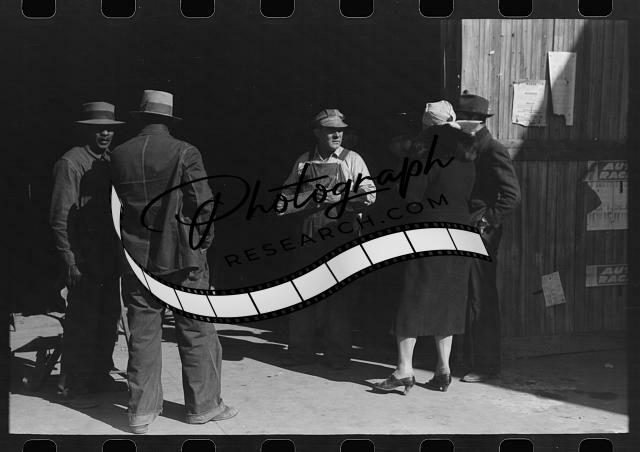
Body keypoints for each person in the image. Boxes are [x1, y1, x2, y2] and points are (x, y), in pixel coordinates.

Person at [110, 90, 237, 434]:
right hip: (182, 259)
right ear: (169, 120)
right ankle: (203, 407)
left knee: (143, 335)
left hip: (137, 259)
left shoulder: (119, 155)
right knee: (197, 331)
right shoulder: (185, 151)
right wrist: (202, 245)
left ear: (140, 117)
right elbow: (203, 205)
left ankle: (140, 412)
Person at [373, 114, 477, 395]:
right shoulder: (467, 160)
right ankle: (443, 369)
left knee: (413, 297)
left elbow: (410, 197)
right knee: (448, 300)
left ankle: (403, 370)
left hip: (429, 234)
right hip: (460, 235)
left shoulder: (425, 160)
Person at [278, 109, 376, 370]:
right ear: (317, 132)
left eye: (340, 130)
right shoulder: (303, 161)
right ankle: (300, 352)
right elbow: (285, 196)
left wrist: (340, 197)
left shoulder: (352, 159)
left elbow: (370, 195)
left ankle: (337, 355)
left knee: (339, 296)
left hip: (340, 233)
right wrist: (301, 200)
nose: (337, 135)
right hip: (309, 232)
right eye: (331, 130)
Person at [49, 102, 124, 408]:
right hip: (83, 258)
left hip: (107, 256)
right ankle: (73, 386)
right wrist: (70, 260)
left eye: (109, 129)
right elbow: (60, 217)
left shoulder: (110, 161)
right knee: (82, 322)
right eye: (98, 129)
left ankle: (98, 376)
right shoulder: (71, 163)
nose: (105, 133)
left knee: (107, 319)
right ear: (85, 131)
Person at [455, 92, 521, 383]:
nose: (458, 122)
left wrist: (486, 221)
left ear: (475, 120)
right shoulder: (469, 146)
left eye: (461, 118)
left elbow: (511, 196)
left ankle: (486, 365)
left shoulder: (492, 149)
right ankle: (466, 358)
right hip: (466, 227)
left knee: (481, 296)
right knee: (468, 294)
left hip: (481, 232)